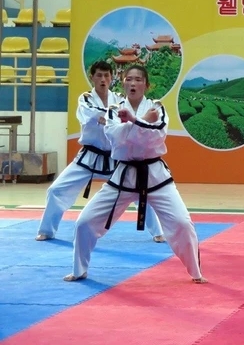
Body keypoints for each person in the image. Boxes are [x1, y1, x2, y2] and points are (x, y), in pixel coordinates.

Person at [65, 64, 205, 283]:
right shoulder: (114, 110)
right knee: (84, 222)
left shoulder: (156, 108)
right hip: (123, 174)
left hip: (155, 175)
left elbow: (156, 136)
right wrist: (140, 121)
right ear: (123, 83)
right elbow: (116, 138)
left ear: (146, 85)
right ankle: (79, 269)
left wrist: (133, 121)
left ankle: (196, 272)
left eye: (138, 79)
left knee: (183, 223)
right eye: (129, 79)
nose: (133, 83)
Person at [36, 61, 164, 242]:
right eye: (99, 75)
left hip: (117, 157)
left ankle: (157, 232)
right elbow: (98, 115)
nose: (103, 79)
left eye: (106, 75)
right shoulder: (86, 99)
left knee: (140, 190)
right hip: (90, 155)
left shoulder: (120, 99)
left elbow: (127, 119)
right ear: (92, 78)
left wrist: (125, 118)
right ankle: (46, 230)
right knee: (56, 189)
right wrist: (117, 118)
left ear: (112, 78)